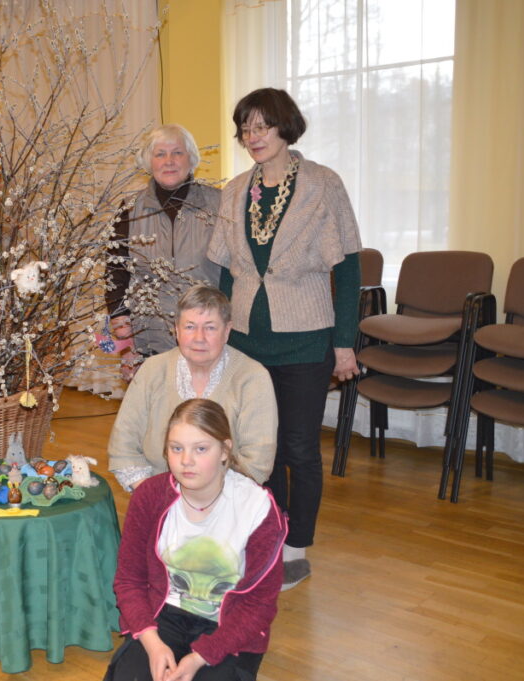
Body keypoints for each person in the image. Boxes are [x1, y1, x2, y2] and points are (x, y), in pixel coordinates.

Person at [207, 87, 361, 591]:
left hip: (305, 337)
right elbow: (226, 271)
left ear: (285, 127)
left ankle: (297, 548)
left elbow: (349, 267)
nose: (252, 136)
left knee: (298, 447)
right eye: (245, 128)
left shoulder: (322, 184)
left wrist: (343, 342)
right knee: (258, 446)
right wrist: (222, 335)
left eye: (262, 126)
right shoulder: (234, 191)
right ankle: (268, 535)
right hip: (250, 340)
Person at [107, 399, 286, 681]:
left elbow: (259, 606)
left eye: (201, 449)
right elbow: (130, 580)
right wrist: (152, 643)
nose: (186, 461)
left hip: (228, 625)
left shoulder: (258, 509)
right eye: (176, 448)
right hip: (163, 614)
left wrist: (200, 657)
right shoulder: (150, 496)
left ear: (225, 450)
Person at [108, 285, 277, 492]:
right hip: (156, 494)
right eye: (189, 327)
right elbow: (123, 447)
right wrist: (155, 497)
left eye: (210, 327)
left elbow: (257, 464)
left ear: (227, 331)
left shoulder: (252, 378)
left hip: (227, 501)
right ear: (176, 330)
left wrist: (203, 503)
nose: (199, 337)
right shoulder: (152, 370)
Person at [106, 124, 222, 375]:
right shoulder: (129, 209)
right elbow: (116, 272)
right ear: (149, 162)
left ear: (191, 159)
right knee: (157, 411)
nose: (169, 161)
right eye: (160, 154)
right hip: (149, 337)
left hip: (206, 335)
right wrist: (125, 340)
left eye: (177, 153)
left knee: (203, 411)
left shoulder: (220, 204)